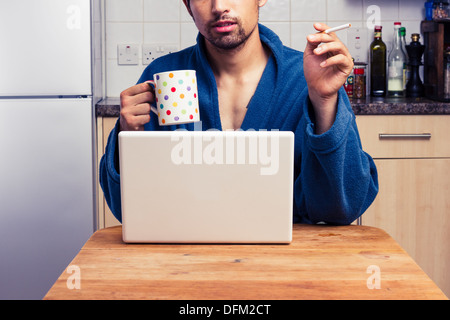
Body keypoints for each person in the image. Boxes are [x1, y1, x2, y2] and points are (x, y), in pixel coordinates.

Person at [100, 0, 378, 225]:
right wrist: (128, 137)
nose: (219, 6)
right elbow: (131, 211)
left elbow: (342, 208)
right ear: (187, 6)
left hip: (290, 262)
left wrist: (324, 101)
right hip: (185, 260)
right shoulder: (164, 78)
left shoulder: (307, 78)